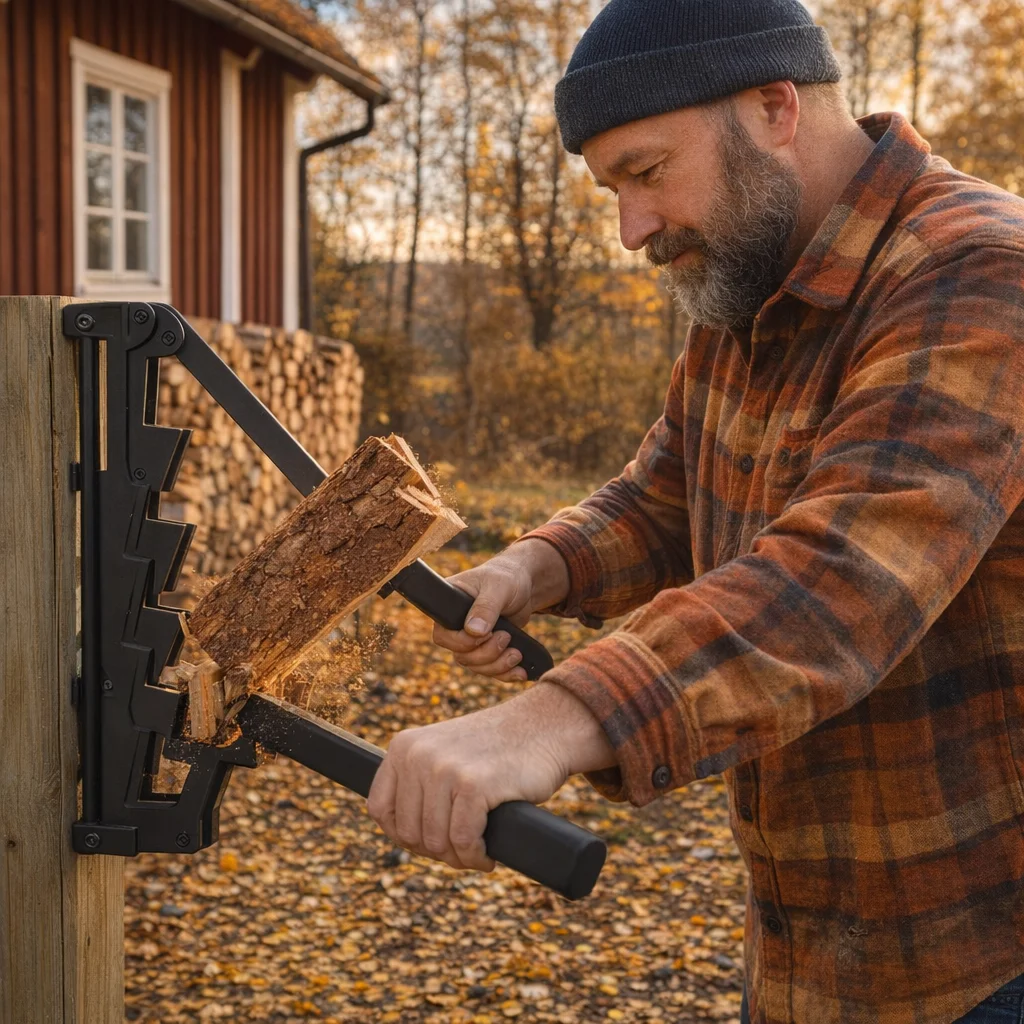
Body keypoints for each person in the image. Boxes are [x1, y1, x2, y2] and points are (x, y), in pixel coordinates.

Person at [365, 1, 1024, 1020]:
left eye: (643, 171)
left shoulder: (980, 270)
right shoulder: (746, 280)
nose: (631, 228)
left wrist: (544, 724)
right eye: (610, 189)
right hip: (805, 953)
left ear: (772, 108)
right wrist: (532, 569)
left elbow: (839, 580)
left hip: (983, 959)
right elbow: (666, 491)